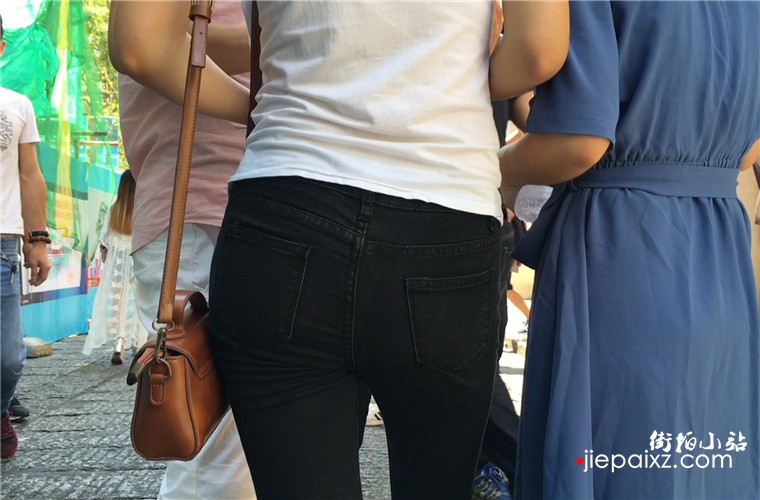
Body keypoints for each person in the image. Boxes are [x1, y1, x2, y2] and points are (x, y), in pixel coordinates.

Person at [207, 2, 565, 498]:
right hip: (446, 212)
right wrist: (455, 65)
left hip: (285, 205)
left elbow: (142, 47)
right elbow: (538, 52)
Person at [499, 2, 760, 498]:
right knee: (707, 463)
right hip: (719, 247)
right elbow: (749, 150)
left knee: (618, 462)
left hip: (623, 243)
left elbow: (579, 141)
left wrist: (490, 167)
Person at [108, 2, 256, 498]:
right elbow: (141, 44)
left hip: (223, 207)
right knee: (216, 450)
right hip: (201, 210)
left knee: (234, 447)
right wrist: (268, 101)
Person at [0, 13, 52, 460]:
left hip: (3, 244)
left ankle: (1, 407)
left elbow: (31, 174)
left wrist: (38, 240)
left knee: (9, 357)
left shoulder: (17, 105)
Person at [82, 170, 145, 364]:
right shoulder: (142, 211)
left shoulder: (114, 211)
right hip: (138, 261)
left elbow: (104, 240)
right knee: (138, 300)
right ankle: (138, 342)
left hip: (117, 265)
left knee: (118, 301)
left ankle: (119, 342)